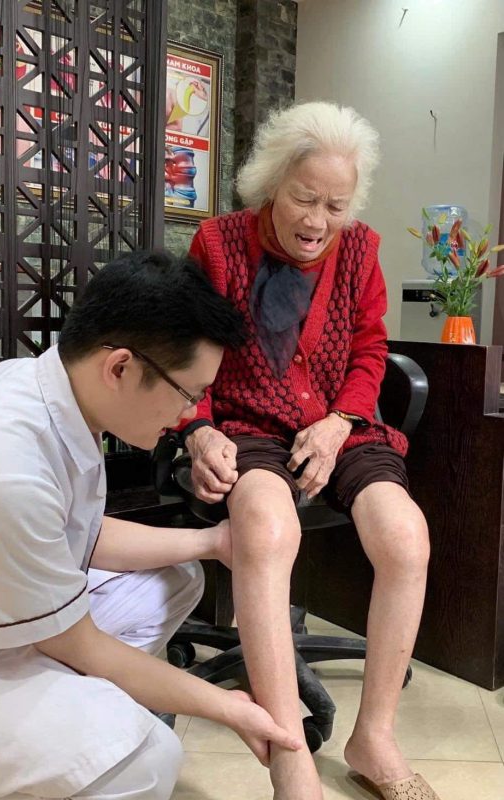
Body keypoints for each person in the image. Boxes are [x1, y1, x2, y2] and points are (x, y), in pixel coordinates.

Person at [0, 251, 302, 800]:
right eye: (188, 394)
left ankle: (52, 732)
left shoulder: (48, 390)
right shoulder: (0, 466)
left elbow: (78, 533)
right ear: (120, 368)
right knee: (146, 760)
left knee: (175, 579)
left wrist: (213, 541)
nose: (187, 414)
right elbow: (82, 645)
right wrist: (231, 708)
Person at [179, 102, 437, 800]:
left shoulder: (359, 250)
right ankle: (289, 754)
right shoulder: (218, 245)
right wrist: (198, 428)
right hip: (247, 426)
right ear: (273, 184)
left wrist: (341, 421)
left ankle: (373, 736)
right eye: (304, 198)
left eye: (335, 205)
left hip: (338, 425)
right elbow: (184, 349)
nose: (319, 220)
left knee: (406, 537)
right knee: (268, 528)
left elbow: (370, 348)